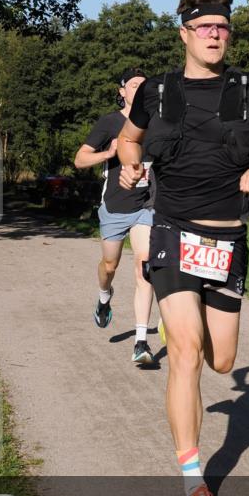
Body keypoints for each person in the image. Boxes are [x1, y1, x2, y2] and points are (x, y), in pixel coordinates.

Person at [118, 0, 249, 496]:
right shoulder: (158, 92)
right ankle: (196, 483)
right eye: (205, 27)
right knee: (188, 354)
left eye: (223, 27)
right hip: (171, 230)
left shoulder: (248, 89)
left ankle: (182, 325)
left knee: (222, 362)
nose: (215, 35)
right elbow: (128, 140)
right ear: (185, 34)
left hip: (227, 241)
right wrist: (130, 165)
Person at [74, 69, 158, 365]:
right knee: (109, 266)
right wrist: (107, 154)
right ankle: (104, 295)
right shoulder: (110, 122)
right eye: (133, 85)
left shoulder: (157, 122)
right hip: (115, 207)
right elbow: (80, 158)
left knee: (143, 268)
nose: (139, 88)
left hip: (147, 206)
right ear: (121, 91)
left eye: (144, 85)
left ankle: (140, 342)